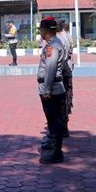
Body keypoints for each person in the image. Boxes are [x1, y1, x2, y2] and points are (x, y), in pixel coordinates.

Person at [37, 17, 67, 164]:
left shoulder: (52, 47)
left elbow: (50, 68)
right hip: (54, 87)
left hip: (52, 89)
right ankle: (56, 151)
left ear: (46, 30)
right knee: (54, 121)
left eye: (41, 30)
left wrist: (47, 90)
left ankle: (56, 153)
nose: (40, 33)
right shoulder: (54, 44)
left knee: (54, 121)